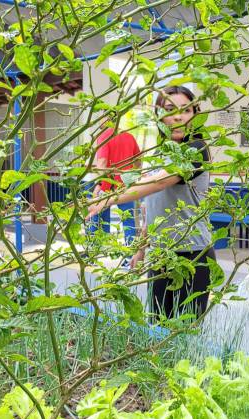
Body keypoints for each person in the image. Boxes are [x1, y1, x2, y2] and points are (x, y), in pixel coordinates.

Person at [88, 85, 214, 319]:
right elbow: (156, 207)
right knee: (157, 327)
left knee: (184, 331)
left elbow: (159, 182)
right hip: (160, 255)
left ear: (196, 115)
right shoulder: (160, 154)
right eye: (169, 109)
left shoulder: (197, 149)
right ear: (158, 115)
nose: (178, 116)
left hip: (192, 255)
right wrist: (141, 249)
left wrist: (107, 199)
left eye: (186, 110)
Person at [90, 123, 141, 245]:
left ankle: (98, 250)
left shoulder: (104, 137)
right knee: (128, 221)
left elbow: (102, 164)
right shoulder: (129, 136)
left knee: (99, 219)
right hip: (126, 185)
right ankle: (130, 251)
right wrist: (132, 177)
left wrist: (98, 184)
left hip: (107, 185)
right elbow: (138, 162)